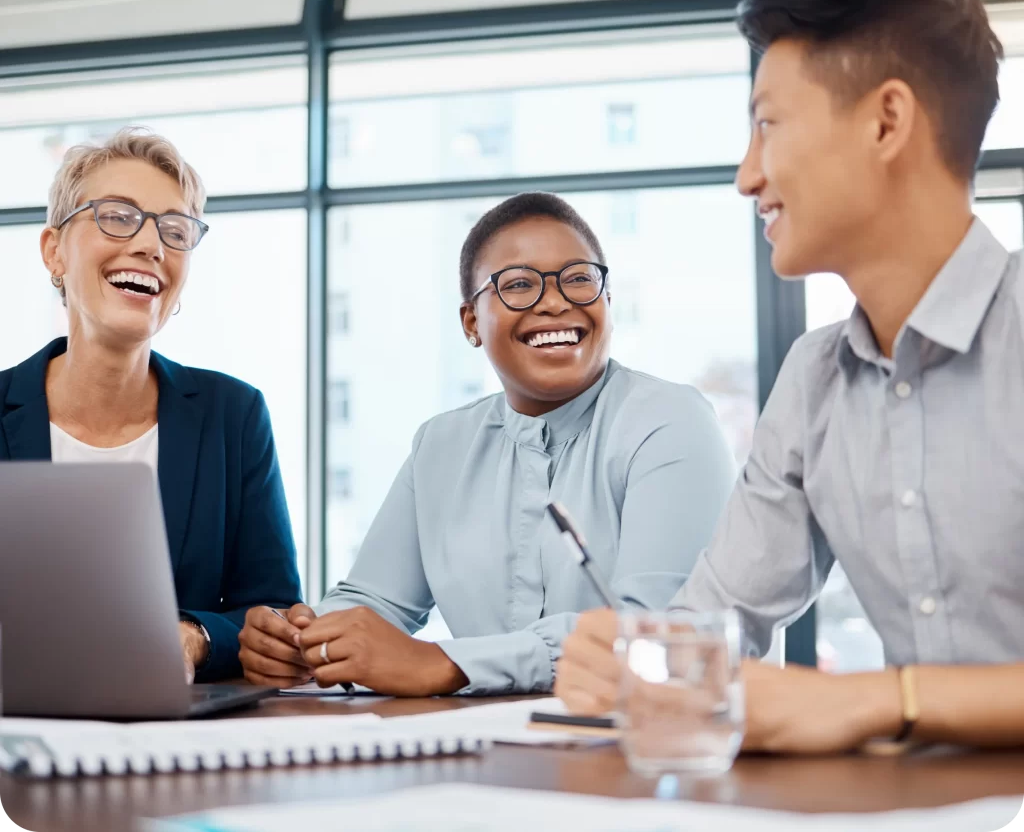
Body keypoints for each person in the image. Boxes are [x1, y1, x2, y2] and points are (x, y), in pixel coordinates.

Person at [555, 0, 1024, 752]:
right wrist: (640, 657)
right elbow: (716, 622)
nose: (746, 177)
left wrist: (876, 701)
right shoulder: (814, 381)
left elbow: (859, 705)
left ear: (886, 121)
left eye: (766, 124)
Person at [238, 192, 737, 695]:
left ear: (608, 300)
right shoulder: (440, 445)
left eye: (580, 278)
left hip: (643, 748)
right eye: (519, 284)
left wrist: (443, 663)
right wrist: (301, 637)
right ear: (472, 323)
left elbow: (654, 631)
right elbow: (376, 601)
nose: (556, 300)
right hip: (485, 750)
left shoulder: (670, 421)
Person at [0, 128, 302, 684]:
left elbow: (276, 614)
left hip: (180, 737)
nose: (151, 245)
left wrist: (194, 637)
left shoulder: (233, 416)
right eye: (117, 216)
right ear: (53, 251)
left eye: (175, 229)